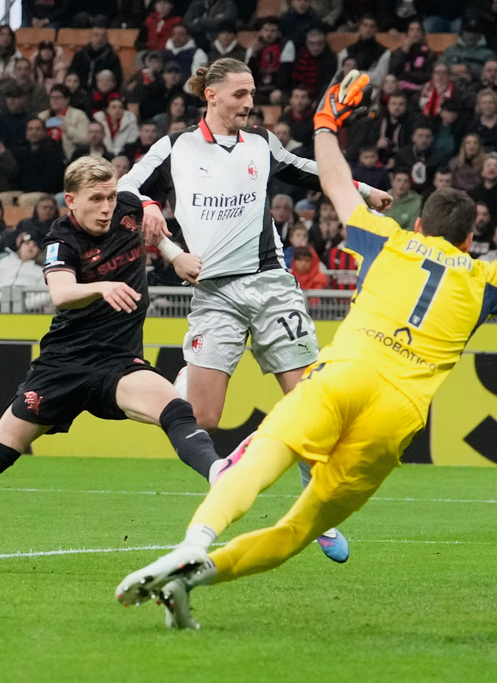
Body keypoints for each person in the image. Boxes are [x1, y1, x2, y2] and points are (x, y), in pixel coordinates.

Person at [114, 72, 497, 627]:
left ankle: (195, 542)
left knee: (267, 450)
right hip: (397, 416)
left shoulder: (389, 241)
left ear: (422, 224)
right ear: (469, 238)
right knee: (300, 527)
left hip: (343, 376)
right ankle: (198, 576)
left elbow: (336, 180)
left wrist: (327, 121)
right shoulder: (487, 276)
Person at [0, 157, 233, 568]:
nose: (106, 207)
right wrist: (102, 287)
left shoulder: (130, 206)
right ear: (71, 201)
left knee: (178, 414)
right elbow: (60, 293)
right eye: (96, 199)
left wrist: (173, 254)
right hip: (62, 366)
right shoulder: (61, 237)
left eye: (111, 197)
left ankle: (222, 476)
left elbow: (147, 214)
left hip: (117, 362)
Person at [118, 59, 391, 562]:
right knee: (202, 416)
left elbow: (309, 173)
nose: (249, 103)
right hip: (215, 293)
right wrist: (157, 218)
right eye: (240, 94)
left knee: (308, 401)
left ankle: (315, 511)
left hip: (271, 286)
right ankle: (177, 385)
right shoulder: (176, 147)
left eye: (252, 93)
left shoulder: (262, 144)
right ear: (211, 95)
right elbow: (124, 191)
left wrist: (363, 191)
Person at [14, 118, 67, 201]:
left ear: (44, 132)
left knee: (25, 200)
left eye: (38, 129)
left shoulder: (53, 149)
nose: (34, 132)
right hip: (24, 190)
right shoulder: (21, 149)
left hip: (47, 192)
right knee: (3, 197)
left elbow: (53, 178)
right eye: (30, 129)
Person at [39, 85, 91, 161]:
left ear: (67, 99)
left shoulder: (79, 115)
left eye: (58, 98)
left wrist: (67, 129)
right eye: (52, 97)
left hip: (67, 157)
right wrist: (42, 126)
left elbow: (85, 139)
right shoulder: (42, 116)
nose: (54, 100)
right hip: (44, 156)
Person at [69, 19, 123, 90]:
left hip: (102, 94)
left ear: (107, 38)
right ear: (90, 36)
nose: (99, 38)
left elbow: (117, 80)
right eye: (96, 35)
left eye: (103, 36)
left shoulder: (112, 57)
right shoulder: (80, 55)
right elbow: (71, 72)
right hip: (80, 91)